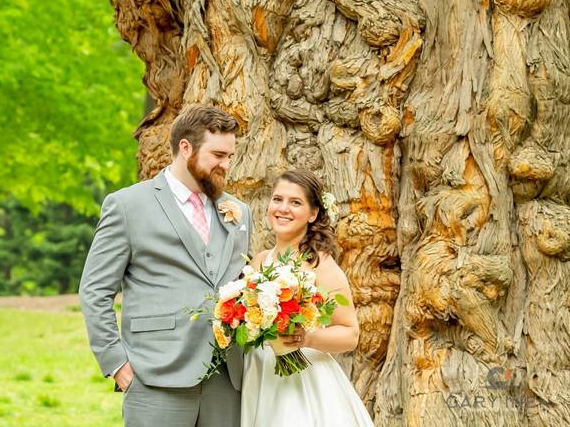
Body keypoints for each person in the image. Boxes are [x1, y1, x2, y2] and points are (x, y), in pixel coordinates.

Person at [79, 105, 252, 427]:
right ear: (185, 147)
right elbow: (94, 291)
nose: (226, 164)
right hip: (155, 375)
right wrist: (117, 364)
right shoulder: (128, 206)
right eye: (218, 154)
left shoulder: (239, 211)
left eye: (230, 156)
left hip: (227, 379)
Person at [241, 168, 374, 426]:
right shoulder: (258, 261)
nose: (283, 208)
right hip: (260, 374)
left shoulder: (320, 265)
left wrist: (307, 337)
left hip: (303, 377)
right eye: (277, 199)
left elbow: (350, 334)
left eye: (295, 202)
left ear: (313, 214)